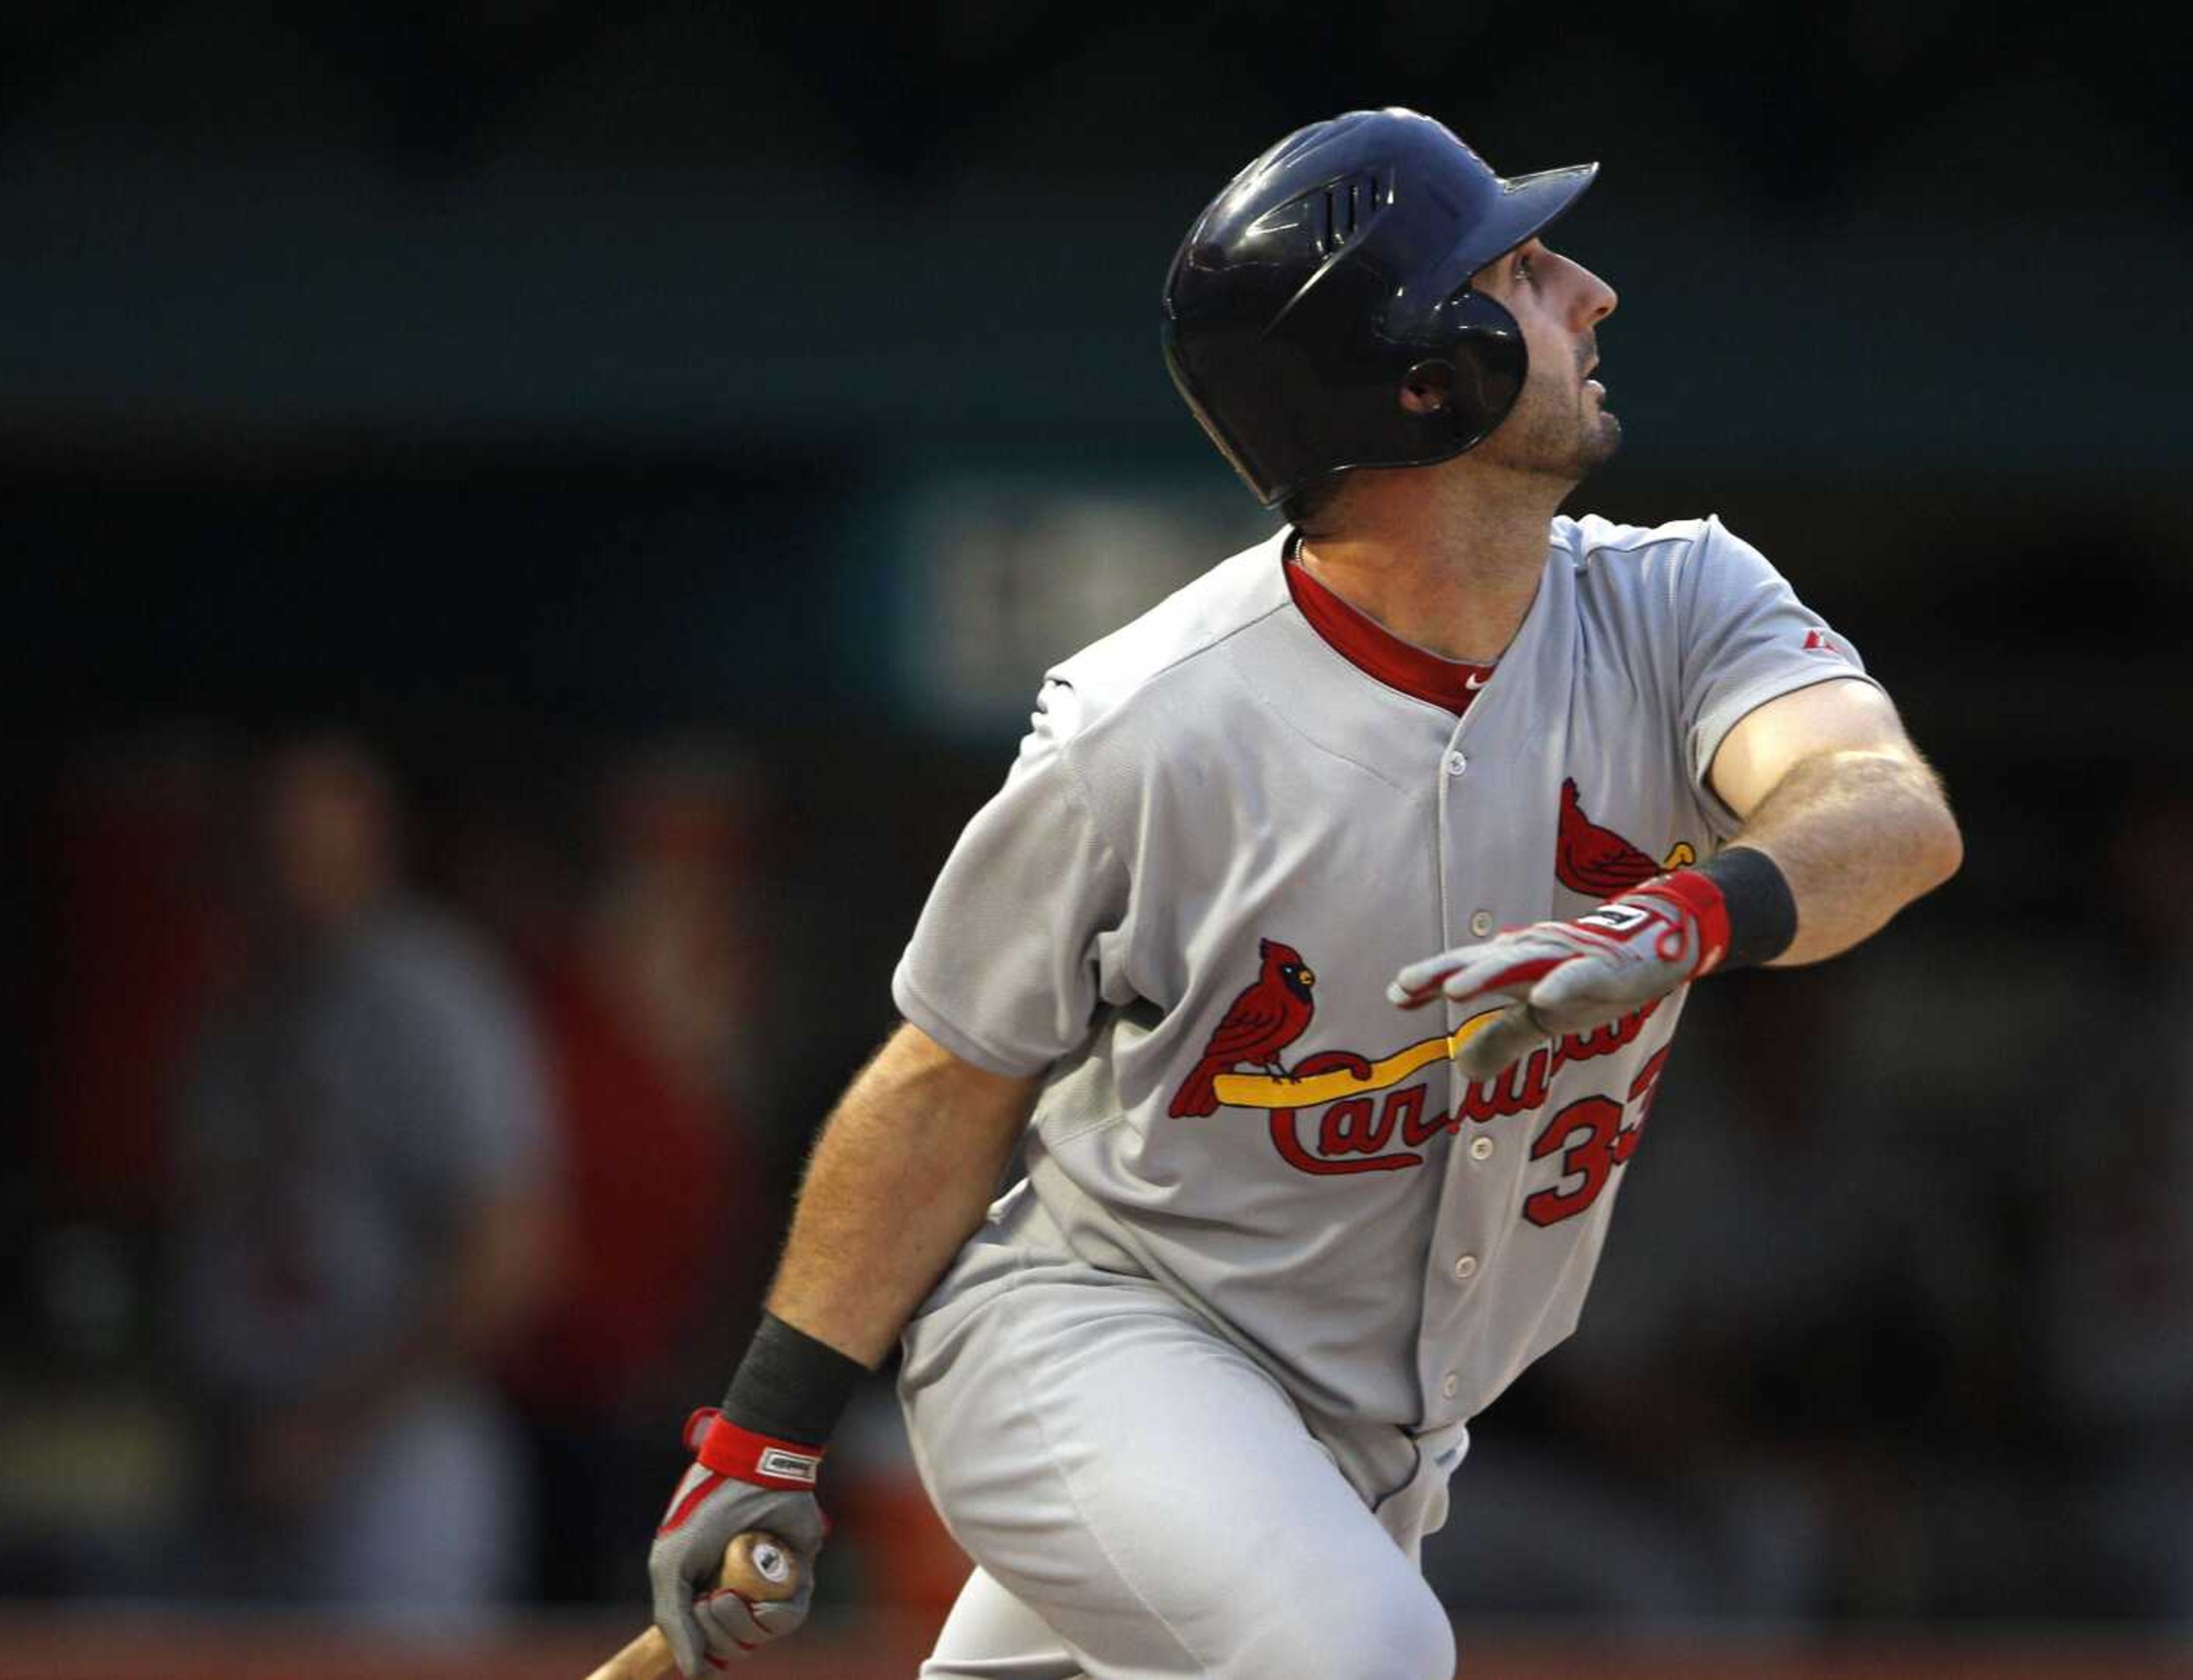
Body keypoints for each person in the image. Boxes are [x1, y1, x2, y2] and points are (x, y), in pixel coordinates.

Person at [641, 108, 1962, 1678]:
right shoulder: (1147, 723)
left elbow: (1884, 813)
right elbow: (945, 1081)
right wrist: (762, 1443)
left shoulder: (1684, 602)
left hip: (1368, 1439)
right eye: (1528, 272)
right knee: (1359, 1656)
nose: (1593, 292)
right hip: (1099, 1344)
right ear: (1433, 376)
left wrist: (1695, 909)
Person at [167, 734, 553, 1627]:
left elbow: (510, 1255)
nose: (286, 871)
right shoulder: (235, 1015)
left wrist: (334, 1423)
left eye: (312, 843)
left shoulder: (429, 996)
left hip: (390, 1450)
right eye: (265, 846)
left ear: (375, 844)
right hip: (242, 1441)